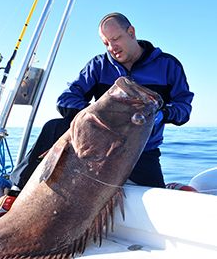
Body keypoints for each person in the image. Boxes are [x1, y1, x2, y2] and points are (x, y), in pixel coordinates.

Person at [11, 12, 194, 190]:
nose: (111, 47)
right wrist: (95, 114)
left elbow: (183, 107)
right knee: (54, 127)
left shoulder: (168, 65)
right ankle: (16, 189)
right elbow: (66, 99)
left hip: (141, 151)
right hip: (98, 147)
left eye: (115, 39)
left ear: (131, 32)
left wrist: (162, 114)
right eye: (105, 43)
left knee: (156, 203)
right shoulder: (98, 65)